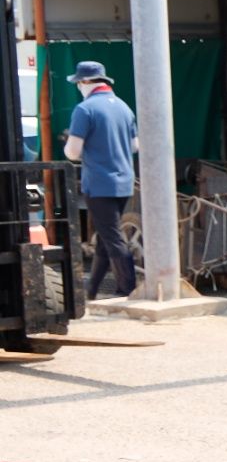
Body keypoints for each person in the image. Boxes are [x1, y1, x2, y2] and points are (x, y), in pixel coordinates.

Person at [62, 61, 138, 301]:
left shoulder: (84, 110)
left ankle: (129, 290)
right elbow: (135, 146)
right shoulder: (125, 108)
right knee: (106, 240)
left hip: (99, 184)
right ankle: (91, 292)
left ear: (85, 82)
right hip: (124, 182)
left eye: (78, 83)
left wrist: (70, 143)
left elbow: (72, 153)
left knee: (113, 239)